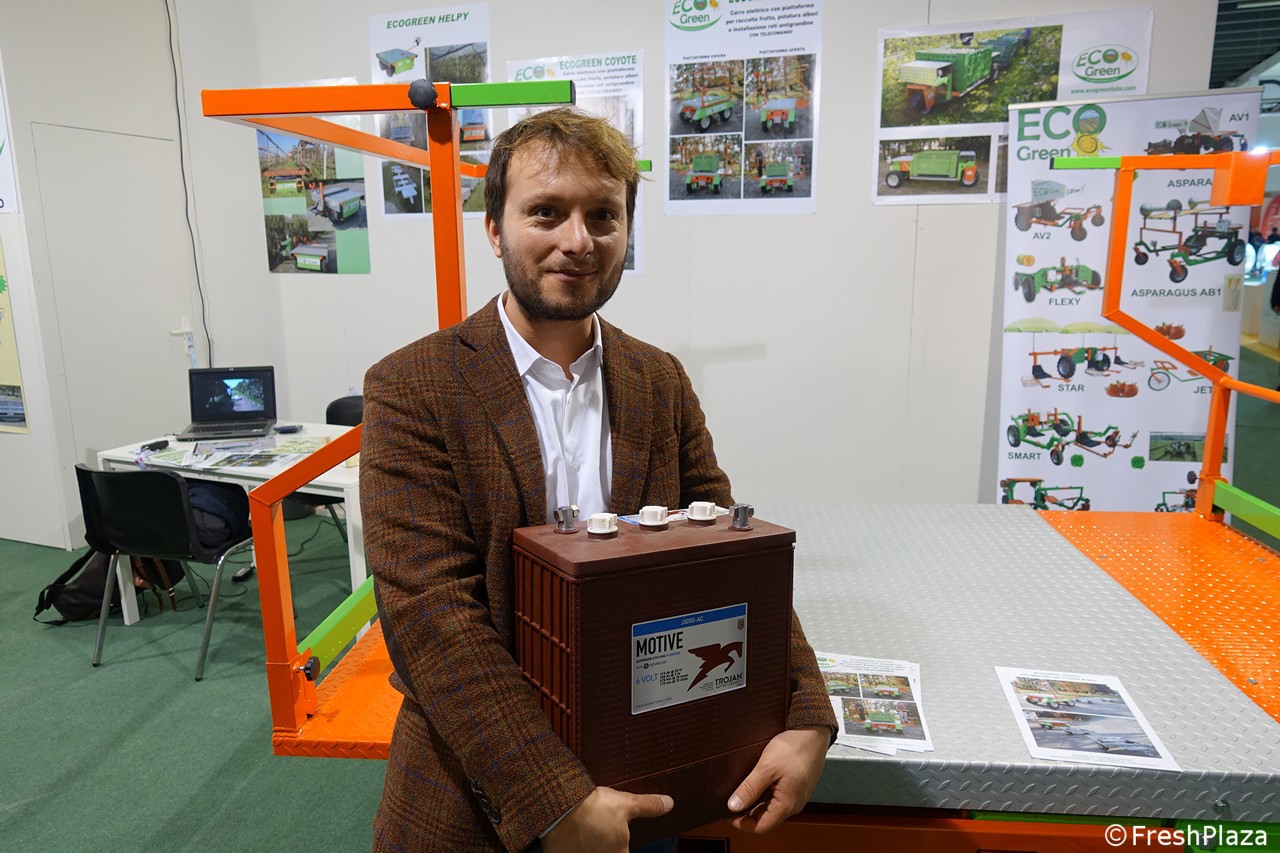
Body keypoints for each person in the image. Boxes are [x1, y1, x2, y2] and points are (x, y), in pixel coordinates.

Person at [361, 107, 836, 853]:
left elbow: (731, 554)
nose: (578, 241)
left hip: (645, 776)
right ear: (494, 230)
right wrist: (555, 799)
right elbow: (431, 616)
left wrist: (807, 713)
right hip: (481, 795)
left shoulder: (658, 380)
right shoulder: (413, 386)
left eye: (603, 216)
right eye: (546, 212)